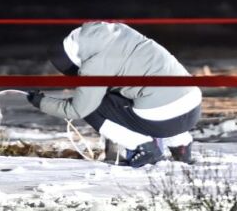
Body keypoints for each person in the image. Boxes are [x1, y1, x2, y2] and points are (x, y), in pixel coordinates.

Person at [26, 21, 201, 167]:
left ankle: (143, 147)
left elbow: (77, 110)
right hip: (192, 106)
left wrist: (40, 101)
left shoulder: (94, 65)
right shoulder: (121, 31)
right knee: (144, 92)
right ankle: (180, 144)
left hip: (164, 121)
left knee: (93, 109)